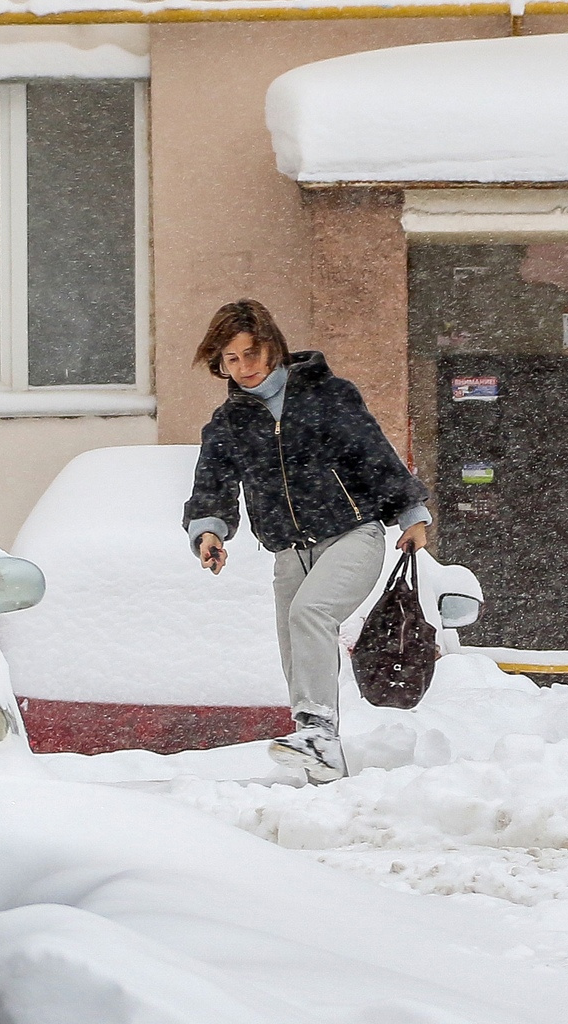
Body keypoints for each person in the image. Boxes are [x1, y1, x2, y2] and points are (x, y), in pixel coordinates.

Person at [183, 299, 429, 783]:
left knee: (310, 614)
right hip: (289, 550)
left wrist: (411, 513)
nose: (244, 368)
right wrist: (209, 530)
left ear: (273, 346)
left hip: (352, 533)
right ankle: (319, 753)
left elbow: (372, 452)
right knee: (294, 643)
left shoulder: (327, 394)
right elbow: (212, 482)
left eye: (251, 354)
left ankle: (318, 731)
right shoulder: (230, 421)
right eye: (231, 360)